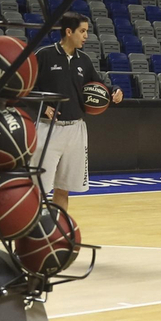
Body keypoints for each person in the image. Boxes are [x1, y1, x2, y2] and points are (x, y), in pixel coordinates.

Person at [34, 13, 123, 211]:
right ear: (68, 32)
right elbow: (25, 87)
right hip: (48, 129)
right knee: (38, 189)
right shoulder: (45, 55)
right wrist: (42, 104)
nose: (86, 36)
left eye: (87, 32)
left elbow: (99, 84)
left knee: (63, 189)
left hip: (76, 129)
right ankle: (34, 234)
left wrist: (114, 90)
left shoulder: (84, 60)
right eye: (82, 31)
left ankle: (58, 229)